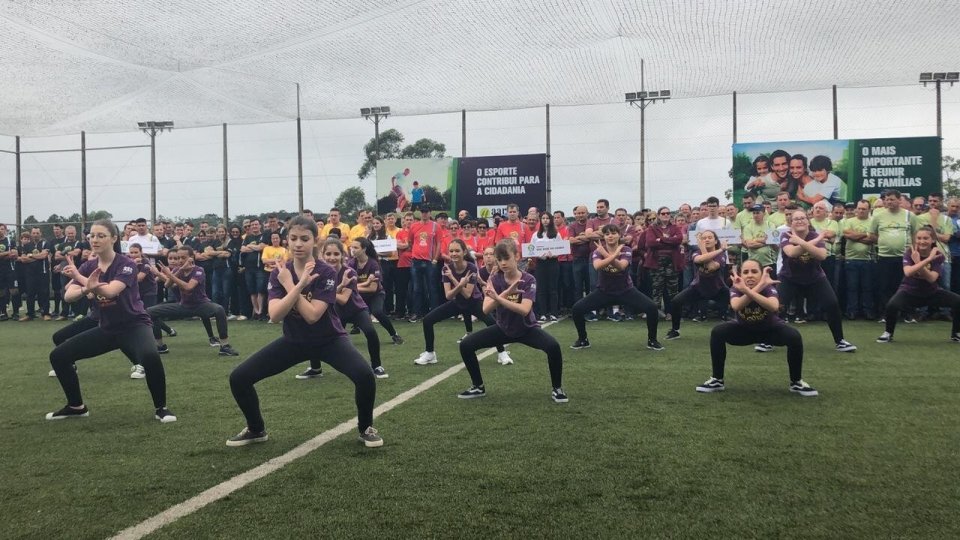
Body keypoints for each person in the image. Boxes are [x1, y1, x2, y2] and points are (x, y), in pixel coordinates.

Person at [226, 216, 382, 447]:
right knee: (239, 378)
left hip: (329, 340)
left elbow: (312, 315)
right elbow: (274, 315)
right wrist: (294, 284)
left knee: (365, 376)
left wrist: (292, 285)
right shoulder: (280, 272)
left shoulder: (325, 272)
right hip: (294, 341)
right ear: (287, 240)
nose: (298, 244)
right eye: (293, 238)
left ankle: (366, 428)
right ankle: (256, 429)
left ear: (315, 241)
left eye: (304, 239)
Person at [45, 219, 177, 422]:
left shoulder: (126, 264)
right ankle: (76, 406)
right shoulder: (88, 265)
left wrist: (81, 278)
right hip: (107, 328)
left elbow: (110, 292)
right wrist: (85, 286)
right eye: (92, 236)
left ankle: (162, 408)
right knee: (58, 356)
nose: (95, 240)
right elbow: (69, 296)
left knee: (150, 356)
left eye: (101, 236)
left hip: (134, 325)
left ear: (114, 238)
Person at [456, 240, 567, 403]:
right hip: (503, 329)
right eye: (499, 259)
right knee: (466, 345)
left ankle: (557, 389)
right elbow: (485, 309)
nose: (503, 263)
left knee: (553, 347)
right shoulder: (495, 279)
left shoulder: (528, 279)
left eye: (506, 258)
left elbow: (524, 310)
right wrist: (505, 294)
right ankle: (478, 386)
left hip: (527, 329)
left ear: (517, 256)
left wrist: (501, 297)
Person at [695, 260, 818, 397]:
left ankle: (796, 382)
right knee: (717, 332)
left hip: (769, 331)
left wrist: (749, 290)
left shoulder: (768, 288)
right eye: (746, 272)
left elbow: (773, 306)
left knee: (794, 336)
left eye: (754, 272)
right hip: (744, 331)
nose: (750, 275)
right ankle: (717, 380)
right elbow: (736, 306)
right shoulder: (736, 288)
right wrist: (753, 288)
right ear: (740, 275)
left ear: (761, 275)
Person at [297, 238, 389, 379]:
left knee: (370, 331)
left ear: (342, 255)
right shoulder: (320, 272)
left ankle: (377, 366)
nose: (332, 258)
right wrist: (337, 287)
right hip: (336, 311)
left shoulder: (349, 272)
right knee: (314, 330)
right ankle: (315, 368)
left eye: (336, 254)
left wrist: (328, 291)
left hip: (356, 309)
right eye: (328, 254)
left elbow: (344, 299)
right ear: (323, 255)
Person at [413, 239, 512, 366]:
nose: (454, 254)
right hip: (457, 303)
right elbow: (449, 296)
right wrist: (459, 284)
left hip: (474, 303)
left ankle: (502, 353)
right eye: (451, 251)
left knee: (492, 323)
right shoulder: (446, 268)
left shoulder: (471, 267)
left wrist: (454, 280)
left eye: (457, 251)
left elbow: (467, 294)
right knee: (428, 320)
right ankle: (430, 353)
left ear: (464, 252)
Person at [773, 210, 857, 352]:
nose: (800, 221)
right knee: (777, 307)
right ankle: (768, 341)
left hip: (815, 278)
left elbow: (822, 255)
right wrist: (817, 240)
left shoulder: (813, 235)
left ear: (808, 221)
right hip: (789, 278)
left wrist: (801, 242)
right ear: (791, 223)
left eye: (802, 218)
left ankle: (840, 341)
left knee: (832, 304)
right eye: (796, 219)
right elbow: (791, 253)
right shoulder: (786, 235)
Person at [570, 224, 662, 351]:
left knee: (651, 308)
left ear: (619, 235)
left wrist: (606, 255)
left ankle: (652, 340)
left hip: (626, 291)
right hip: (604, 292)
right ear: (604, 237)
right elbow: (597, 266)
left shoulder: (626, 249)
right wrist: (610, 255)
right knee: (577, 309)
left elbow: (621, 266)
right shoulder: (598, 251)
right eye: (607, 234)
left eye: (613, 233)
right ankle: (583, 340)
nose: (610, 236)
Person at [148, 246, 239, 357]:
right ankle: (160, 346)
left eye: (183, 258)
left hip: (201, 305)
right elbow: (167, 285)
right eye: (178, 258)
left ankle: (224, 346)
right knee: (150, 311)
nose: (180, 260)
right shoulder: (178, 270)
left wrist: (170, 274)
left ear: (191, 257)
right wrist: (178, 271)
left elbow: (188, 287)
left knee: (219, 310)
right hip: (184, 305)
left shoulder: (198, 270)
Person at [877, 226, 960, 343]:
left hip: (931, 292)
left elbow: (932, 278)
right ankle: (888, 333)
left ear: (932, 240)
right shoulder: (910, 252)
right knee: (892, 305)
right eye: (919, 238)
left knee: (958, 301)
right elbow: (908, 272)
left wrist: (921, 261)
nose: (922, 241)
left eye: (925, 238)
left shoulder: (938, 255)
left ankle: (956, 334)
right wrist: (926, 260)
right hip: (909, 291)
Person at [666, 230, 730, 339]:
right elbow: (699, 259)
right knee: (676, 301)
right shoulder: (696, 252)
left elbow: (711, 267)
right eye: (704, 238)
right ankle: (675, 330)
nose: (706, 240)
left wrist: (716, 250)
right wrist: (719, 249)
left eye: (710, 237)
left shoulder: (721, 255)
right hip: (698, 288)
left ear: (715, 241)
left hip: (718, 289)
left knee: (737, 303)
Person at [350, 237, 404, 345]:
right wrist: (365, 283)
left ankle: (394, 334)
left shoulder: (373, 264)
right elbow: (348, 284)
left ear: (364, 249)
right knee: (344, 312)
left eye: (356, 247)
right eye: (352, 247)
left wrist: (355, 286)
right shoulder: (351, 263)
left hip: (376, 295)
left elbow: (372, 288)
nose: (353, 250)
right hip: (360, 295)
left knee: (377, 312)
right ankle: (342, 337)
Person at [641, 206, 683, 317]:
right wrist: (670, 241)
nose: (666, 215)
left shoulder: (675, 227)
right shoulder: (652, 228)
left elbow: (678, 240)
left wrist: (662, 239)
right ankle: (655, 313)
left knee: (673, 289)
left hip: (672, 262)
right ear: (659, 215)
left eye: (668, 213)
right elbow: (651, 243)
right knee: (656, 289)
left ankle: (673, 313)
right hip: (656, 262)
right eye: (663, 213)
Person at [531, 211, 561, 321]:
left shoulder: (556, 234)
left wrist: (554, 254)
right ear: (540, 220)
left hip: (553, 262)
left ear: (550, 220)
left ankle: (553, 313)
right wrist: (538, 255)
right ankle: (542, 313)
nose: (545, 220)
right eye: (543, 218)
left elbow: (560, 249)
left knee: (553, 288)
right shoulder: (536, 235)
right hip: (540, 263)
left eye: (547, 218)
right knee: (541, 288)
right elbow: (531, 249)